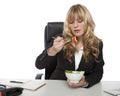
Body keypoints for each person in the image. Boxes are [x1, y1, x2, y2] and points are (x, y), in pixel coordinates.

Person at [35, 4, 104, 88]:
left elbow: (98, 72)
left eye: (80, 21)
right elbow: (39, 65)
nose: (75, 25)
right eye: (71, 22)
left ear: (87, 22)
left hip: (82, 91)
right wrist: (53, 50)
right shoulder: (60, 39)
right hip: (57, 86)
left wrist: (85, 82)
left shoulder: (96, 44)